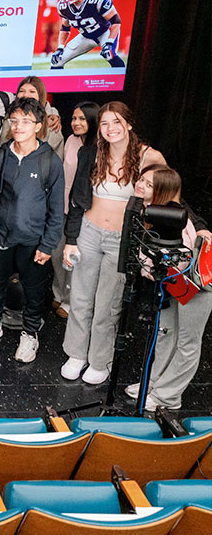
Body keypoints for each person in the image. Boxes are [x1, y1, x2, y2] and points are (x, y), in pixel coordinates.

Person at [61, 101, 164, 384]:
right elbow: (78, 199)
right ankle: (76, 354)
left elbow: (169, 196)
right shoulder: (91, 153)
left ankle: (99, 359)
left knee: (108, 303)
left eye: (116, 122)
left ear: (129, 124)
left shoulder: (149, 157)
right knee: (80, 298)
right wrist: (71, 239)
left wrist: (199, 227)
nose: (110, 129)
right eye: (105, 123)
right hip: (89, 232)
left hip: (123, 239)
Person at [0, 98, 65, 363]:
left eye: (26, 121)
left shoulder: (50, 161)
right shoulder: (1, 155)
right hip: (0, 236)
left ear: (38, 126)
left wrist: (47, 245)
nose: (18, 126)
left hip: (33, 241)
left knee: (33, 290)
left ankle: (30, 333)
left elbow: (56, 210)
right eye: (14, 120)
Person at [125, 166, 212, 411]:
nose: (140, 185)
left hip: (197, 285)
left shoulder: (173, 217)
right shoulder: (149, 211)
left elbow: (180, 261)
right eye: (141, 179)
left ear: (162, 190)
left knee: (187, 343)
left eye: (149, 184)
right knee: (165, 334)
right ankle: (151, 384)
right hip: (172, 284)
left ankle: (168, 396)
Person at [51, 101, 100, 317]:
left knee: (75, 257)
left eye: (81, 119)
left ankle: (71, 301)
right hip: (61, 206)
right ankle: (58, 294)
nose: (76, 123)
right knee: (56, 253)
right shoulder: (70, 140)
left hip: (83, 211)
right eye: (73, 118)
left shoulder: (99, 146)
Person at [50, 0, 126, 69]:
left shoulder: (97, 0)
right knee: (56, 61)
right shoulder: (63, 6)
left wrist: (110, 42)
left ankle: (122, 80)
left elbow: (116, 21)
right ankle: (57, 84)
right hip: (85, 37)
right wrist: (60, 48)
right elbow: (65, 28)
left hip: (104, 33)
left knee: (109, 54)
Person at [0, 76, 63, 156]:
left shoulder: (51, 122)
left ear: (41, 95)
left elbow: (56, 157)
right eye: (22, 91)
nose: (26, 95)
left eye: (32, 92)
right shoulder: (8, 118)